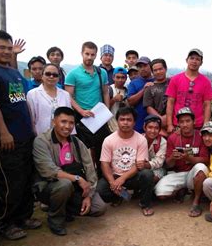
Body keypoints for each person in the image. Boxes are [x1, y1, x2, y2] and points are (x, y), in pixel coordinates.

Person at [0, 30, 41, 240]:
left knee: (25, 180)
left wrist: (14, 55)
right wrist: (4, 132)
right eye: (1, 48)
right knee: (9, 182)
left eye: (8, 47)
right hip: (7, 139)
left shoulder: (12, 72)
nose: (6, 51)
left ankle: (23, 217)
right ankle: (5, 224)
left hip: (24, 136)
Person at [32, 107, 107, 235]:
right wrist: (77, 178)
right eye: (63, 122)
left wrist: (88, 195)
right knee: (64, 184)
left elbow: (90, 168)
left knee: (99, 208)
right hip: (50, 187)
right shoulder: (41, 141)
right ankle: (55, 219)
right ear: (54, 121)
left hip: (75, 189)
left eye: (71, 123)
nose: (67, 126)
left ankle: (65, 208)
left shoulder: (76, 142)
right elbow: (48, 171)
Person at [97, 107, 155, 216]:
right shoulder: (108, 140)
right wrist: (112, 182)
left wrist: (122, 179)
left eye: (129, 120)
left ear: (134, 122)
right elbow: (104, 163)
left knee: (147, 174)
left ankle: (145, 204)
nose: (125, 122)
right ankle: (118, 196)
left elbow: (139, 164)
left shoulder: (141, 139)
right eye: (122, 119)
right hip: (114, 175)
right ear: (117, 121)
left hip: (132, 176)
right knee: (101, 191)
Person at [64, 41, 111, 175]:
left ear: (96, 55)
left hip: (99, 116)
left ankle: (103, 177)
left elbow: (105, 92)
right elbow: (68, 96)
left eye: (92, 54)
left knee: (102, 147)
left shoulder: (101, 72)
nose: (89, 57)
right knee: (84, 149)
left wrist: (106, 110)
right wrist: (81, 111)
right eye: (87, 54)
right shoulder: (73, 74)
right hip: (81, 117)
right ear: (81, 53)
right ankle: (88, 176)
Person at [155, 107, 209, 217]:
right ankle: (182, 189)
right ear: (178, 124)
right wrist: (173, 158)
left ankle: (196, 201)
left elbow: (205, 159)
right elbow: (168, 164)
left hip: (194, 174)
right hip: (178, 173)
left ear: (194, 122)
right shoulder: (173, 137)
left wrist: (189, 158)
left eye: (188, 121)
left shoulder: (200, 136)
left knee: (201, 167)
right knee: (160, 193)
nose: (185, 124)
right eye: (181, 122)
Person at [165, 48, 212, 133]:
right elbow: (170, 102)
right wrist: (169, 124)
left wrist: (205, 126)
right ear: (186, 60)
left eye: (197, 59)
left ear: (201, 63)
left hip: (197, 126)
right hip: (178, 125)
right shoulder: (175, 79)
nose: (194, 61)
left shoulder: (206, 82)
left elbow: (207, 105)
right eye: (192, 58)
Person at [27, 64, 72, 135]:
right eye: (48, 74)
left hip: (63, 135)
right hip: (41, 135)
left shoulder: (65, 95)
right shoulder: (32, 94)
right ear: (42, 76)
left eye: (55, 75)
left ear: (58, 78)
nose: (51, 76)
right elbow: (31, 118)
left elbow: (69, 117)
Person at [127, 56, 154, 133]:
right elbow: (130, 101)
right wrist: (144, 90)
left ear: (150, 66)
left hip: (156, 125)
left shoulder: (157, 80)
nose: (142, 68)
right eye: (140, 67)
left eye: (145, 66)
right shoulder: (133, 83)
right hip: (139, 125)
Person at [143, 58, 169, 136]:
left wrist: (168, 117)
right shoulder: (149, 87)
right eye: (155, 70)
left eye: (160, 69)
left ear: (165, 69)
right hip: (156, 125)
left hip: (173, 121)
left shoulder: (173, 83)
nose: (158, 72)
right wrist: (160, 119)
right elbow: (148, 107)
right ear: (152, 72)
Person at [137, 115, 167, 183]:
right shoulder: (138, 138)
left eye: (156, 128)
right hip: (139, 166)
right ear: (144, 127)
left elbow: (158, 162)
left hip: (157, 168)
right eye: (150, 127)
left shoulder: (163, 142)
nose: (153, 131)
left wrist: (145, 165)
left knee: (151, 178)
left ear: (159, 130)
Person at [107, 67, 129, 132]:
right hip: (111, 125)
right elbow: (104, 109)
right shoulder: (109, 89)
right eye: (118, 77)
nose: (120, 80)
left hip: (125, 125)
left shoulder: (127, 90)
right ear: (113, 77)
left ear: (126, 78)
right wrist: (114, 100)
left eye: (123, 77)